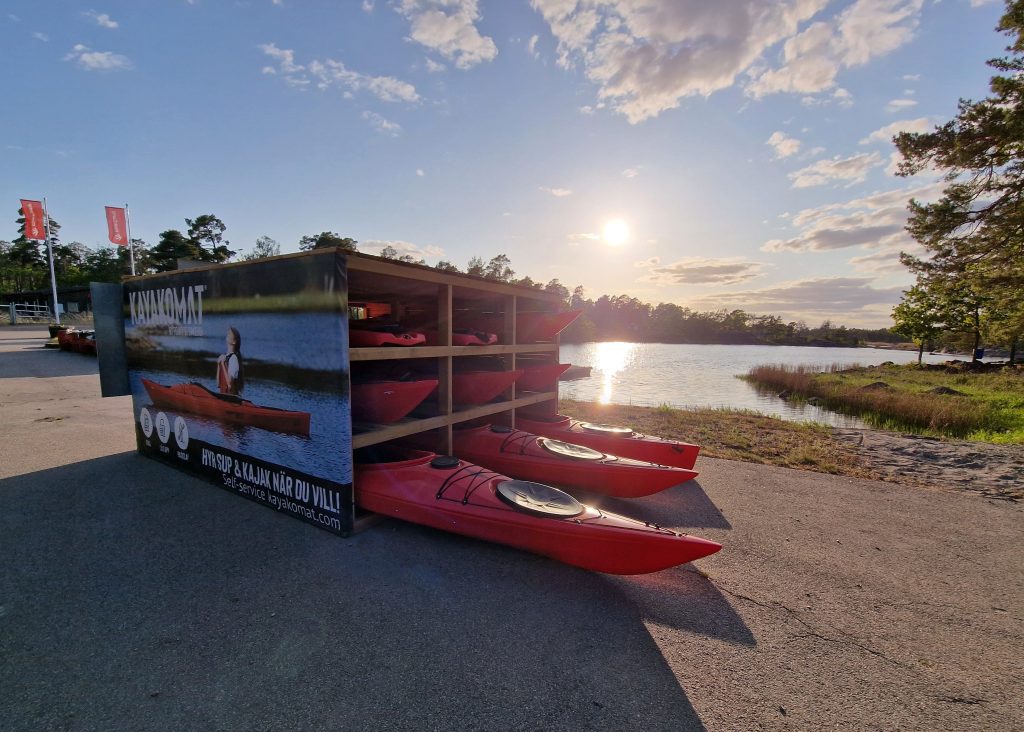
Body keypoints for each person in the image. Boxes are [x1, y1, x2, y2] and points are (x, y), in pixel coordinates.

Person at [217, 327, 244, 396]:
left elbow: (229, 385)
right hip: (223, 395)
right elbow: (218, 384)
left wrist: (222, 364)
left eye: (230, 334)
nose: (227, 334)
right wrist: (218, 364)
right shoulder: (225, 357)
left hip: (230, 398)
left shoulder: (233, 358)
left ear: (234, 342)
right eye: (228, 333)